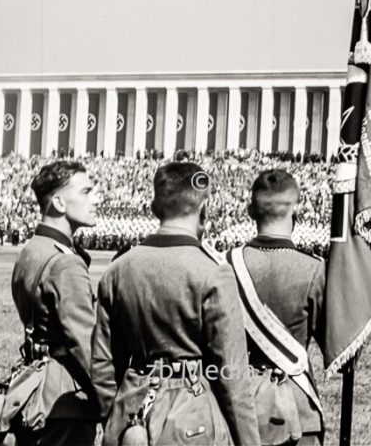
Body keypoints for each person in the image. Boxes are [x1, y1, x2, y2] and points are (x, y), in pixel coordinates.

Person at [91, 162, 261, 446]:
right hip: (193, 419)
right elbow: (233, 376)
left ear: (154, 208)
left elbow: (102, 365)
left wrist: (116, 414)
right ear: (204, 209)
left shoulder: (118, 269)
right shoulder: (213, 271)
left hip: (130, 416)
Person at [223, 170, 325, 445]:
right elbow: (334, 347)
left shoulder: (225, 265)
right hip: (296, 410)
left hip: (238, 407)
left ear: (249, 211)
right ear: (297, 212)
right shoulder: (314, 269)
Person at [10, 160, 101, 445]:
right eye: (86, 192)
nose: (96, 198)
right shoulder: (65, 262)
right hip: (65, 399)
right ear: (59, 203)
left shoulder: (32, 249)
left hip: (34, 382)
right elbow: (86, 346)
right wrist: (114, 401)